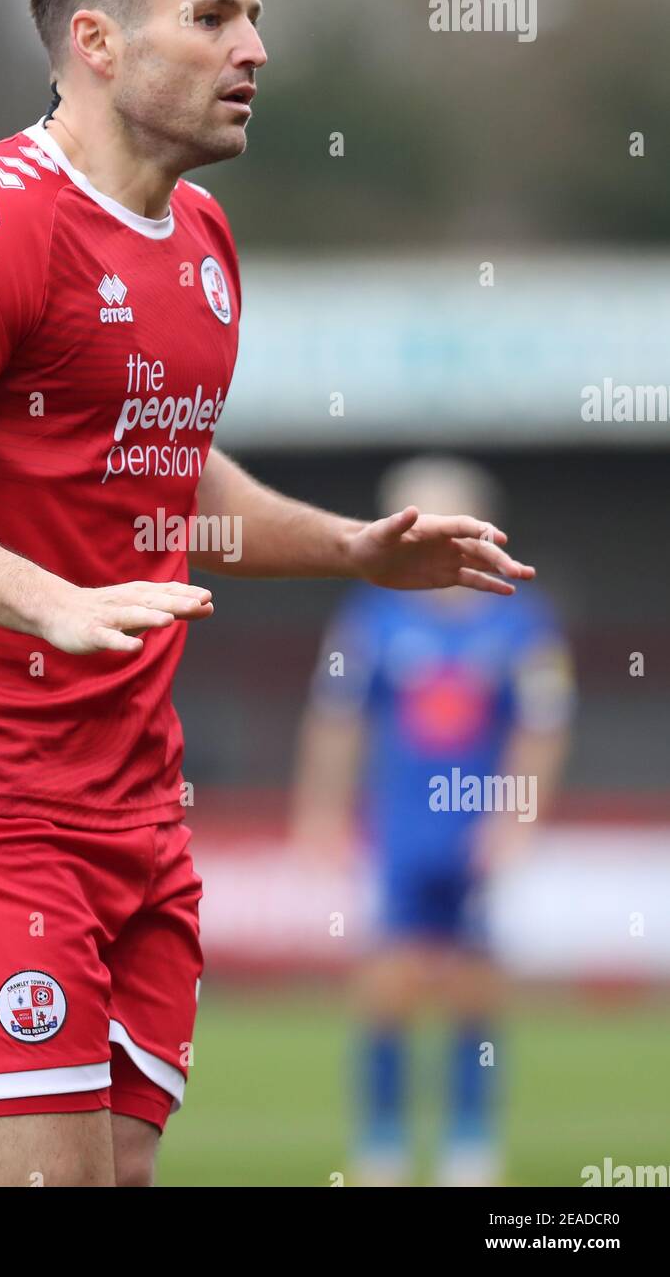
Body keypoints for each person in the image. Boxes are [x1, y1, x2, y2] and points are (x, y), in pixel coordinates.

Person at [0, 0, 534, 1187]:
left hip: (137, 804)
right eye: (213, 17)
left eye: (254, 15)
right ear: (96, 42)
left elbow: (166, 479)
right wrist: (47, 597)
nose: (253, 45)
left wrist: (355, 552)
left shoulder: (200, 241)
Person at [291, 457, 573, 1187]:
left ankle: (469, 1145)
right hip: (401, 827)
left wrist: (517, 820)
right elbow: (336, 722)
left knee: (475, 987)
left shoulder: (522, 621)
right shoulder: (370, 620)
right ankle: (383, 1145)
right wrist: (321, 812)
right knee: (388, 985)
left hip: (476, 829)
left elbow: (541, 732)